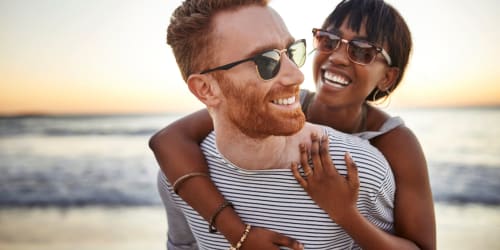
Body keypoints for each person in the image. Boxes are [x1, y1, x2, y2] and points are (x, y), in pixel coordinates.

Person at [152, 0, 436, 249]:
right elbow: (168, 141)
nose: (336, 57)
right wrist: (235, 232)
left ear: (387, 78)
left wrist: (343, 213)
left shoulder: (393, 145)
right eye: (328, 41)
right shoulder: (285, 103)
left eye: (362, 52)